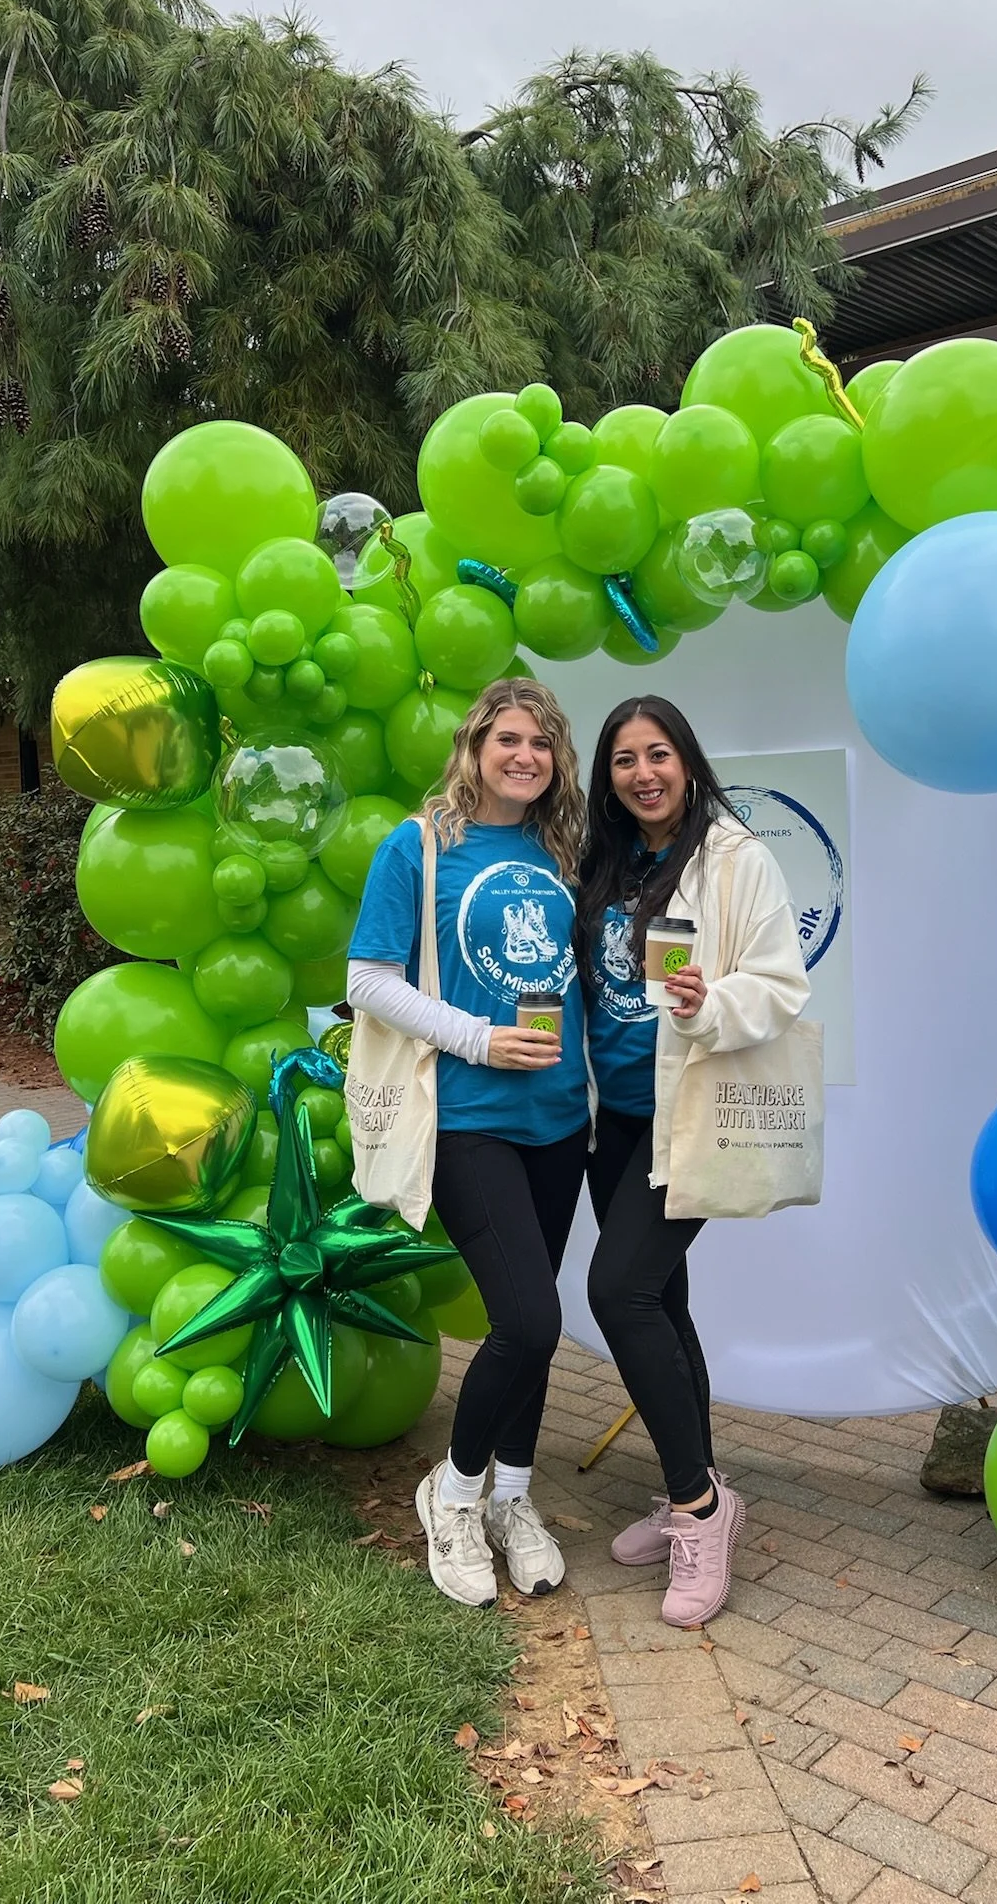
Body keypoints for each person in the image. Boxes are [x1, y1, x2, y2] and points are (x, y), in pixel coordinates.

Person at [347, 677, 589, 1609]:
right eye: (509, 740)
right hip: (470, 1118)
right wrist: (479, 1039)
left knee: (534, 1332)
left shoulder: (560, 850)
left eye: (542, 744)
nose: (526, 756)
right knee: (528, 1321)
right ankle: (450, 1497)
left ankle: (512, 1501)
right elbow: (368, 979)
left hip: (562, 1119)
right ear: (475, 748)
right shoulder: (419, 845)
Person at [576, 695, 810, 1627]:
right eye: (625, 760)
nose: (643, 774)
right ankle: (697, 1481)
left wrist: (709, 1000)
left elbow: (782, 983)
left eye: (659, 755)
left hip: (692, 1115)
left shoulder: (735, 858)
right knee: (660, 1303)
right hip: (612, 1121)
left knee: (618, 1292)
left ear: (689, 762)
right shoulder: (600, 859)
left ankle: (699, 1512)